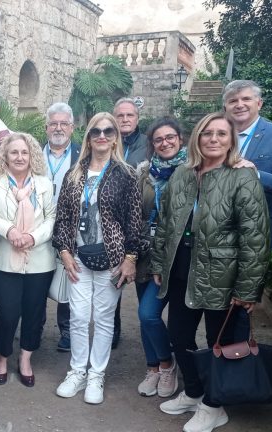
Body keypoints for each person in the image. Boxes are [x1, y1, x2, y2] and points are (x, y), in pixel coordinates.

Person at [152, 112, 270, 432]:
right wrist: (160, 264)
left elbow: (255, 236)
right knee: (179, 334)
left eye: (221, 134)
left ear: (231, 140)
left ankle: (214, 405)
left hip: (223, 273)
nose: (213, 139)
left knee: (221, 340)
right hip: (181, 268)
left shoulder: (241, 177)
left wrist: (247, 289)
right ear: (197, 138)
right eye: (207, 133)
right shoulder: (182, 174)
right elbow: (165, 223)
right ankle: (193, 391)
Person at [52, 113, 141, 404]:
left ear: (116, 137)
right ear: (88, 138)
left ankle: (96, 375)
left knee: (103, 319)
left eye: (108, 131)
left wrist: (130, 258)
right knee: (78, 317)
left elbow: (134, 221)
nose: (101, 136)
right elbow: (63, 218)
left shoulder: (126, 174)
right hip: (77, 257)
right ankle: (77, 371)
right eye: (95, 132)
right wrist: (64, 252)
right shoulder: (74, 174)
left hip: (112, 259)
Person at [0, 133, 56, 388]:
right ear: (5, 155)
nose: (20, 157)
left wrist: (33, 237)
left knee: (34, 313)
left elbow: (51, 219)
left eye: (24, 152)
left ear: (31, 155)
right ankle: (2, 356)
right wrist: (10, 231)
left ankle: (25, 359)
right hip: (6, 256)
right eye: (14, 152)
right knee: (8, 313)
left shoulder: (45, 183)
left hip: (39, 258)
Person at [132, 117, 186, 397]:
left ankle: (167, 363)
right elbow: (137, 213)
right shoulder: (144, 173)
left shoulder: (193, 170)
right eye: (158, 139)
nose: (164, 143)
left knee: (149, 313)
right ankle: (153, 367)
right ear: (152, 145)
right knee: (145, 315)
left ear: (180, 139)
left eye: (169, 137)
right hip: (145, 253)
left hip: (175, 256)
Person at [222, 80, 272, 250]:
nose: (239, 105)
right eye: (233, 101)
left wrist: (255, 174)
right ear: (225, 107)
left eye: (246, 99)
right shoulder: (215, 137)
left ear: (259, 104)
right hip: (220, 237)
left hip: (264, 235)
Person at [110, 97, 152, 349]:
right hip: (112, 223)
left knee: (142, 281)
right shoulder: (105, 139)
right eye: (120, 116)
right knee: (112, 281)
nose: (125, 120)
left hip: (140, 222)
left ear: (137, 118)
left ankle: (149, 338)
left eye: (130, 116)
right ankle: (112, 329)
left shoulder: (148, 144)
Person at [41, 102, 81, 353]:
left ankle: (67, 330)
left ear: (72, 127)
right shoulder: (33, 153)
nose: (58, 128)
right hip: (38, 226)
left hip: (71, 228)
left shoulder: (82, 156)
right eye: (53, 123)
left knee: (69, 277)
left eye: (63, 123)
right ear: (46, 128)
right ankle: (36, 327)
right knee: (38, 278)